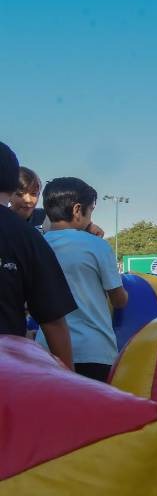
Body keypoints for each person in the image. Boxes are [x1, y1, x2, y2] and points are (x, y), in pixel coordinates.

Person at [36, 177, 128, 382]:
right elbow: (119, 300)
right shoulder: (97, 246)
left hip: (46, 352)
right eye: (91, 210)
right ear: (78, 210)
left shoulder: (36, 245)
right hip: (95, 352)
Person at [0, 142, 75, 369]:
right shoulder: (26, 237)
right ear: (13, 183)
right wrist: (70, 380)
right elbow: (53, 320)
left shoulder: (30, 233)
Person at [10, 166, 105, 237]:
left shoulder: (45, 217)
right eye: (20, 194)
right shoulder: (3, 219)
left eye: (34, 194)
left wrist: (89, 226)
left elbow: (68, 223)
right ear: (8, 194)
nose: (28, 200)